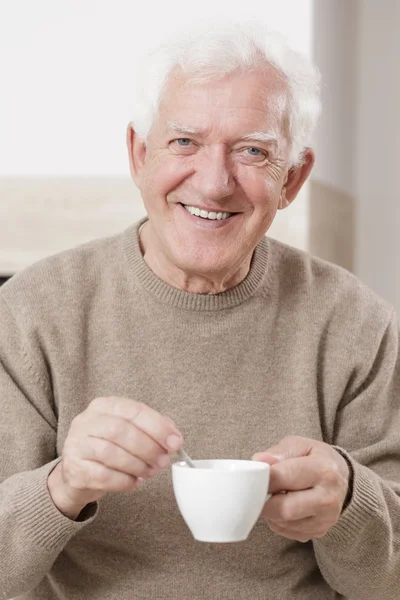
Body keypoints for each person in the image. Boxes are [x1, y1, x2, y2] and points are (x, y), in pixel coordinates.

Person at [0, 20, 399, 600]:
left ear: (293, 177)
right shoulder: (29, 314)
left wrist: (348, 502)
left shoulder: (358, 325)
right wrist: (61, 487)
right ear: (139, 154)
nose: (213, 184)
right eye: (184, 142)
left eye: (253, 151)